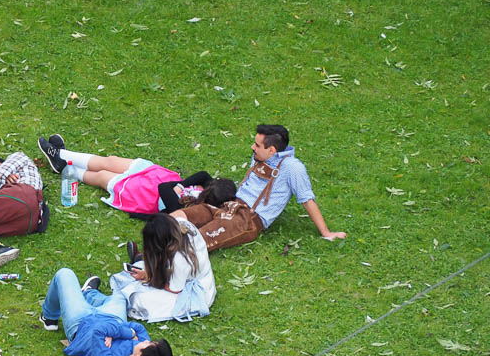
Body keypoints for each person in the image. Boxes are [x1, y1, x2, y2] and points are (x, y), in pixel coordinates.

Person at [172, 124, 347, 252]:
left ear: (271, 150)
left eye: (257, 145)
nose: (252, 147)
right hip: (229, 203)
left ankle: (157, 262)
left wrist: (326, 232)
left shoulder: (292, 168)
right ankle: (154, 244)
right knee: (180, 217)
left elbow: (307, 200)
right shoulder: (259, 156)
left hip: (248, 218)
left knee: (197, 239)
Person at [37, 135, 236, 215]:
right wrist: (181, 185)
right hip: (156, 175)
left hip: (143, 195)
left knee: (103, 176)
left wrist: (177, 187)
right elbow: (202, 175)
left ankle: (65, 168)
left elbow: (164, 191)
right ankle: (61, 154)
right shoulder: (208, 188)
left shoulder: (186, 212)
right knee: (110, 160)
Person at [38, 268, 172, 356]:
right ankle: (89, 293)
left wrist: (116, 332)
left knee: (64, 274)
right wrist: (126, 333)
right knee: (120, 297)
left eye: (149, 344)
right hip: (112, 318)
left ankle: (49, 317)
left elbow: (98, 331)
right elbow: (138, 328)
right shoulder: (141, 345)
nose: (147, 340)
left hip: (81, 323)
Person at [115, 213, 216, 323]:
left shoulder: (180, 260)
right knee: (136, 277)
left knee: (139, 300)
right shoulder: (182, 223)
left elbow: (174, 288)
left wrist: (150, 278)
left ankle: (139, 260)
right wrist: (148, 274)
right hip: (183, 274)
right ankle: (139, 260)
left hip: (195, 291)